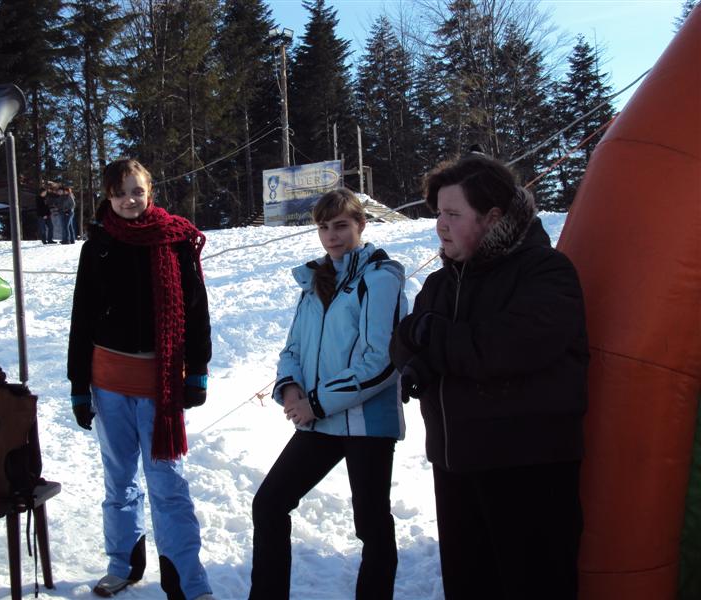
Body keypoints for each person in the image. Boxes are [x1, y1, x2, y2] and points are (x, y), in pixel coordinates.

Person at [389, 154, 588, 599]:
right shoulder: (443, 283)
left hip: (527, 472)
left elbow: (503, 348)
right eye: (438, 213)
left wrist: (431, 337)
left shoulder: (545, 271)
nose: (440, 226)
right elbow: (402, 342)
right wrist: (418, 357)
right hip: (455, 465)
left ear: (493, 218)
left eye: (453, 214)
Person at [67, 158, 215, 600]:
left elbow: (196, 311)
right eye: (120, 193)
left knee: (168, 485)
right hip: (108, 382)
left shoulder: (176, 240)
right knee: (119, 483)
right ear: (108, 196)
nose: (129, 200)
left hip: (160, 384)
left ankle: (186, 580)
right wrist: (78, 386)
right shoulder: (97, 246)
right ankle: (123, 564)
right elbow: (82, 318)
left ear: (150, 191)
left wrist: (198, 371)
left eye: (136, 191)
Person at [249, 188, 408, 600]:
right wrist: (290, 389)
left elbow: (382, 361)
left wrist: (316, 403)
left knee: (371, 525)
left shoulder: (380, 278)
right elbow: (293, 349)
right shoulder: (315, 281)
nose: (332, 236)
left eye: (341, 225)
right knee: (269, 504)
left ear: (361, 224)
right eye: (324, 227)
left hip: (366, 423)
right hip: (320, 420)